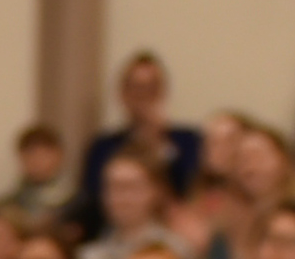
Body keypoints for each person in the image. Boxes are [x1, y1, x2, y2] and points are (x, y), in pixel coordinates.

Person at [79, 49, 206, 227]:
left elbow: (189, 190)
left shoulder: (188, 141)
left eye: (151, 88)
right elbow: (94, 199)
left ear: (163, 92)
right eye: (136, 88)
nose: (143, 96)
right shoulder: (102, 147)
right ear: (122, 93)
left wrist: (160, 142)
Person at [0, 121, 72, 230]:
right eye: (30, 154)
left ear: (59, 156)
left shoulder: (77, 203)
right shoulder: (7, 206)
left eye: (44, 154)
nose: (37, 161)